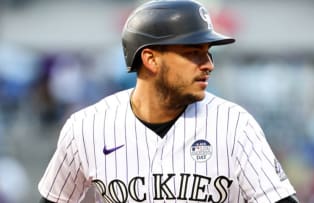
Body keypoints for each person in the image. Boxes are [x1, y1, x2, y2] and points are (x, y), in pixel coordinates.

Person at [38, 0, 299, 202]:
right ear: (151, 59)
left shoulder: (235, 126)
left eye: (208, 53)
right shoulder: (86, 127)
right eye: (193, 53)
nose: (208, 64)